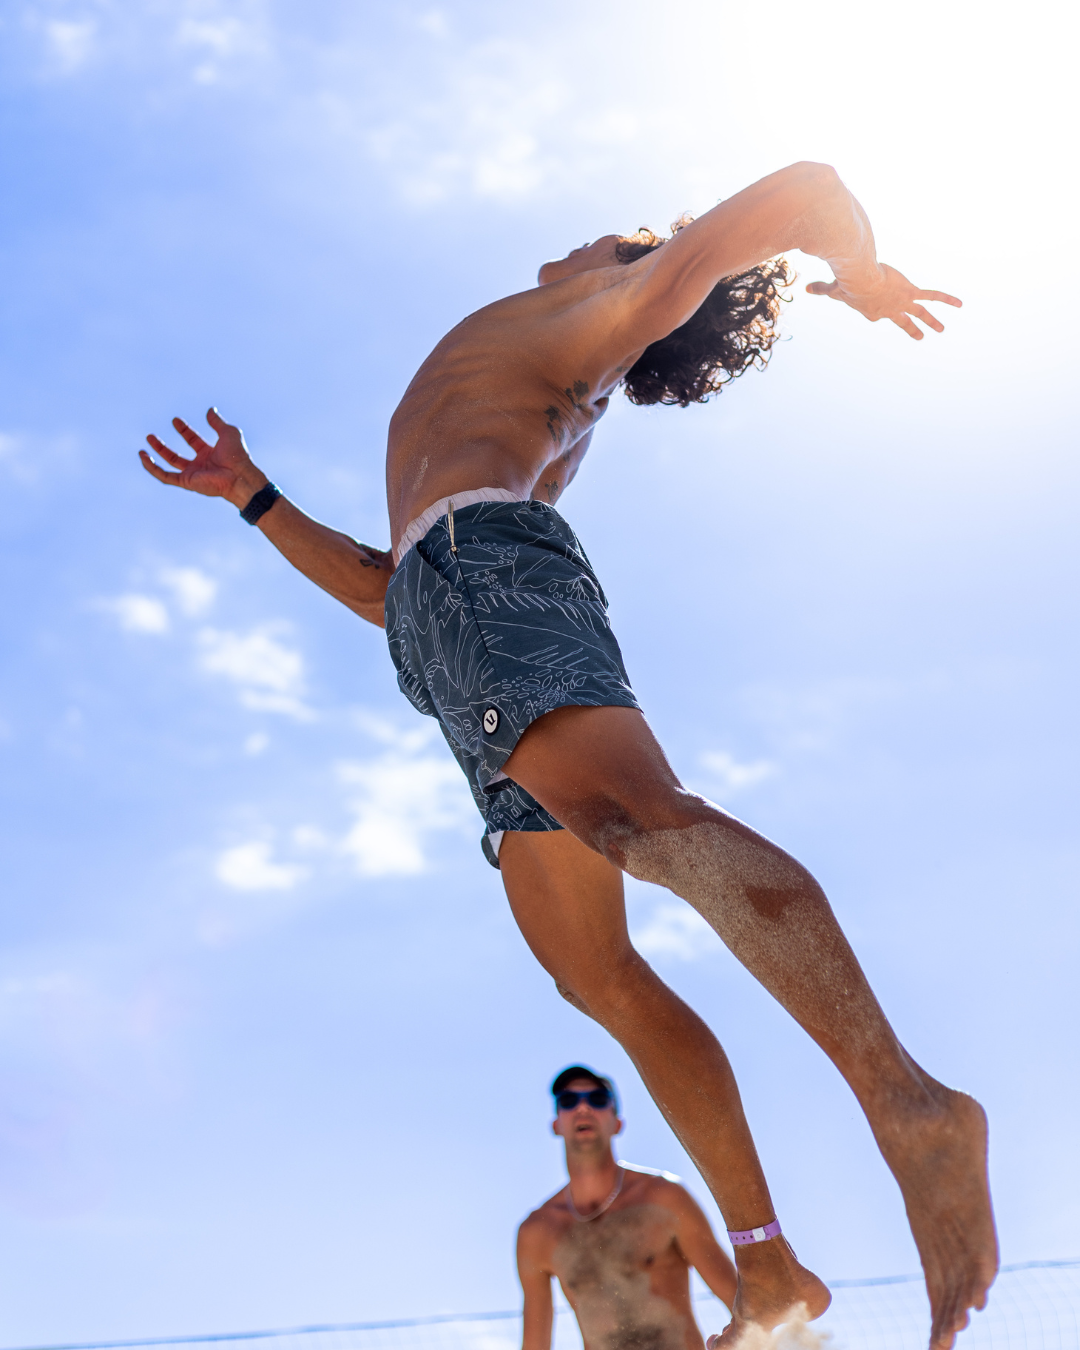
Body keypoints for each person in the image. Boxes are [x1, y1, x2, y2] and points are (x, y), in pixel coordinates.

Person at [139, 161, 997, 1349]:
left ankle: (910, 1102)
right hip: (448, 616)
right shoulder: (545, 397)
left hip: (483, 578)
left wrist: (855, 271)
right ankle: (764, 1263)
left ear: (640, 265)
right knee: (593, 971)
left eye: (619, 239)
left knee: (641, 820)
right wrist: (254, 496)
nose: (592, 237)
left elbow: (808, 187)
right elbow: (387, 590)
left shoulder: (612, 302)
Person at [518, 1066, 737, 1350]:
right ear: (556, 1124)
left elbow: (739, 1301)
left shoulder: (664, 1198)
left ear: (618, 1123)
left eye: (597, 1099)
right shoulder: (538, 1233)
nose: (583, 1108)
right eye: (569, 1101)